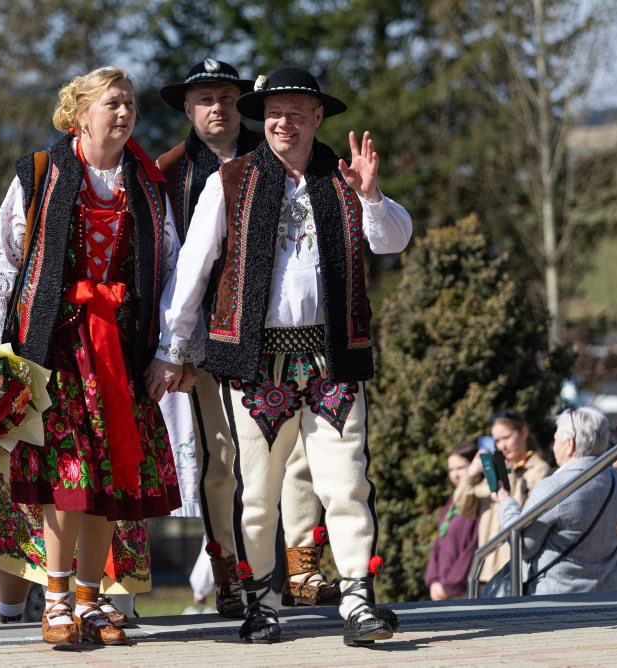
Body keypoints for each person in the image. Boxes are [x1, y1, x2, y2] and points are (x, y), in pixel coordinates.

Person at [147, 66, 413, 646]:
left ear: (319, 118)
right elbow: (190, 273)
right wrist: (172, 347)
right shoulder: (231, 181)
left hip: (331, 358)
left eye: (296, 111)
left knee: (346, 486)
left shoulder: (345, 181)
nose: (282, 122)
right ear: (259, 118)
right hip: (255, 362)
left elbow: (392, 239)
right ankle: (261, 604)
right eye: (273, 112)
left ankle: (358, 604)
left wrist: (372, 197)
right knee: (257, 491)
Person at [0, 66, 183, 647]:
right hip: (56, 348)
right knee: (65, 477)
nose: (124, 114)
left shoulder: (147, 184)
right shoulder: (43, 172)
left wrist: (172, 347)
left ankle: (91, 602)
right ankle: (53, 599)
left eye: (129, 104)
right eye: (111, 104)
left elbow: (172, 270)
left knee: (108, 480)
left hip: (120, 349)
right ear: (79, 114)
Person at [155, 58, 267, 618]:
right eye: (205, 98)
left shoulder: (271, 155)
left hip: (276, 337)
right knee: (221, 461)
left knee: (285, 459)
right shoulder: (167, 172)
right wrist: (175, 346)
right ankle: (230, 572)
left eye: (226, 96)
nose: (217, 107)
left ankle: (288, 567)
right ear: (187, 107)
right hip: (204, 343)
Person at [494, 407, 617, 594]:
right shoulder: (616, 480)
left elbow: (523, 545)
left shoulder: (552, 487)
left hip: (558, 598)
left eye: (556, 439)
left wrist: (506, 501)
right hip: (608, 591)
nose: (553, 445)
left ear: (569, 444)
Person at [454, 410, 550, 587]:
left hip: (516, 572)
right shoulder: (493, 469)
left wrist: (509, 477)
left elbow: (528, 520)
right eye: (497, 440)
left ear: (523, 432)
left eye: (506, 437)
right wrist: (471, 475)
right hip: (485, 572)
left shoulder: (539, 471)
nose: (502, 446)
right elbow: (463, 508)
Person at [425, 442, 479, 600]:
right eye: (451, 469)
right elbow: (439, 543)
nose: (455, 474)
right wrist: (433, 579)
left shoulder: (478, 499)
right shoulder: (452, 501)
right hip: (442, 588)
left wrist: (450, 585)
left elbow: (473, 547)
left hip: (463, 590)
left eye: (460, 468)